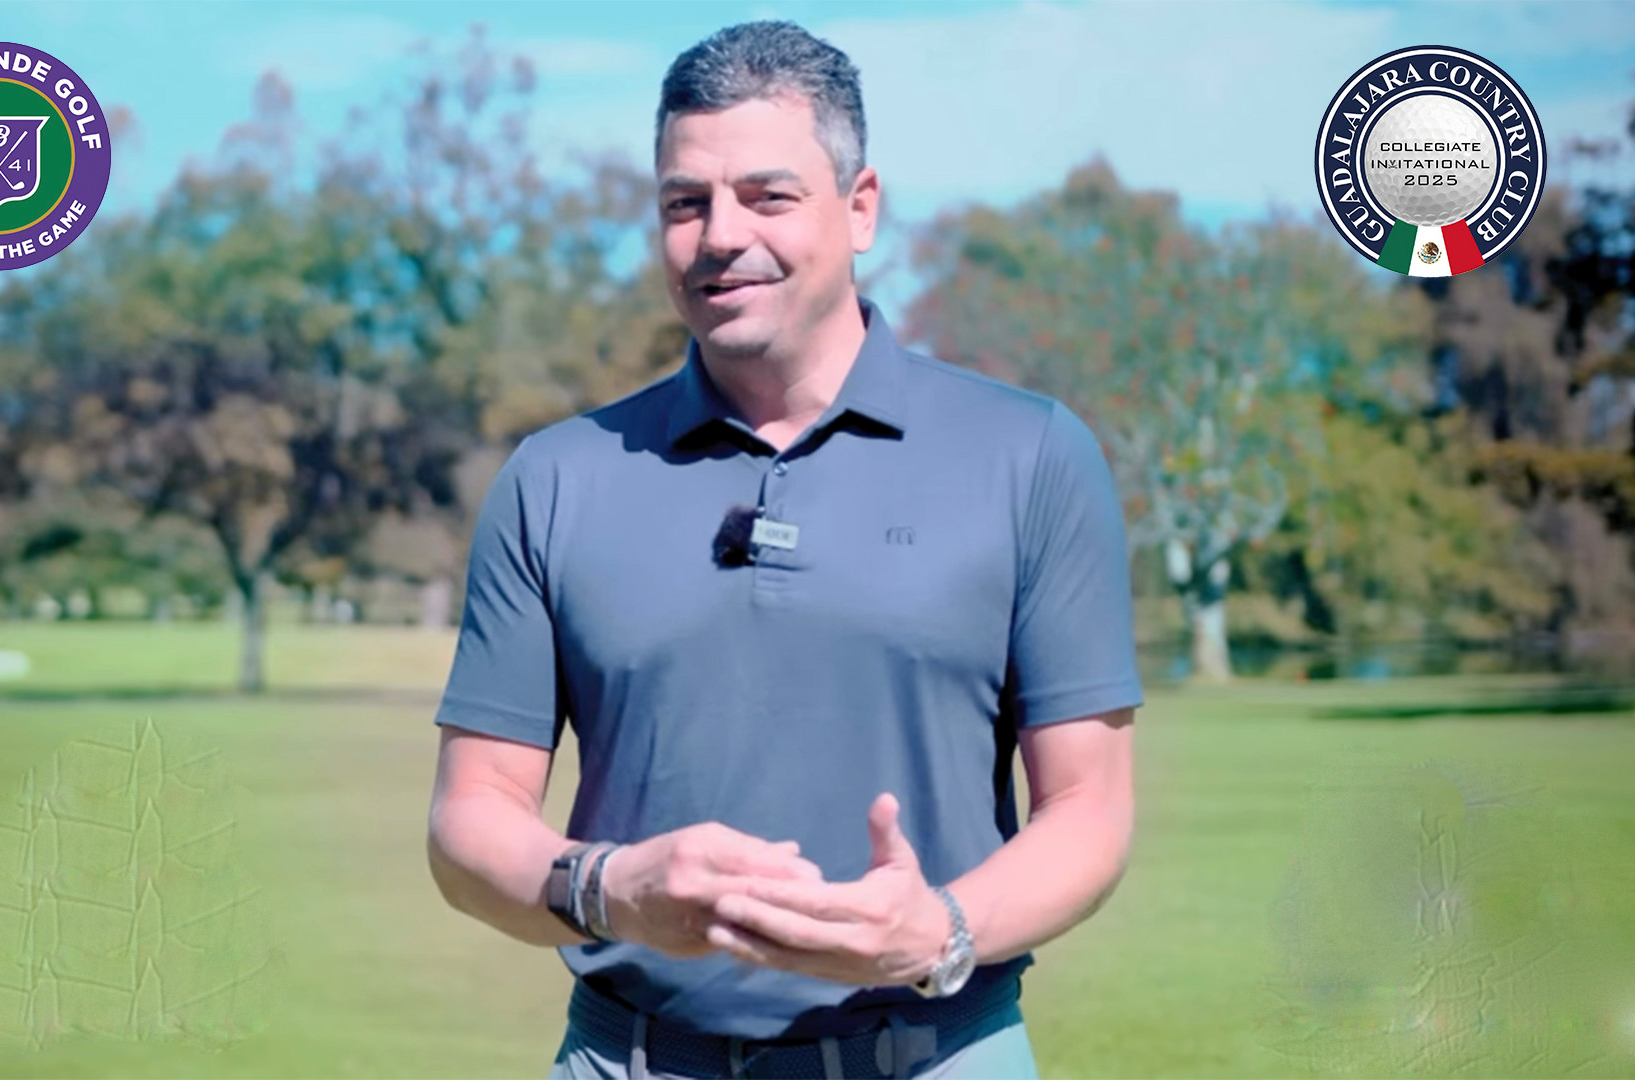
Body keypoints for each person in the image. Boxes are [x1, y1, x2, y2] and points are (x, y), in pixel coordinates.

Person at [427, 19, 1140, 1080]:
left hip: (938, 1053)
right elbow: (469, 820)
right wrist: (610, 888)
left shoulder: (1029, 454)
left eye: (768, 196)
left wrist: (938, 930)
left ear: (860, 208)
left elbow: (1090, 808)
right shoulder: (557, 476)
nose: (720, 235)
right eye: (685, 203)